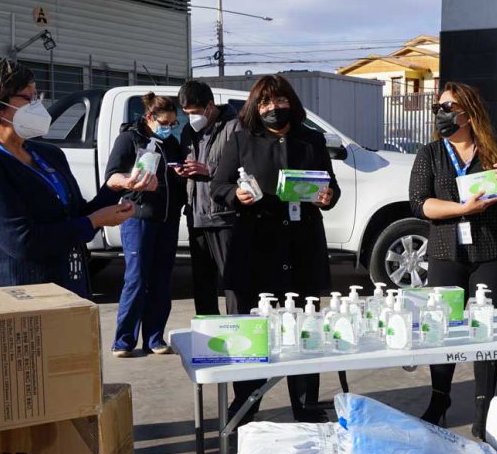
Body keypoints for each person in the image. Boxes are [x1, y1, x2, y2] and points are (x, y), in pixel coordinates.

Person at [211, 74, 340, 424]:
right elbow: (218, 185)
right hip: (255, 247)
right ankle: (245, 406)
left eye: (279, 101)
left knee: (303, 328)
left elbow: (331, 188)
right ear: (256, 107)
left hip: (301, 247)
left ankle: (305, 403)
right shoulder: (242, 140)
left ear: (291, 104)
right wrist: (234, 195)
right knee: (251, 332)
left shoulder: (311, 140)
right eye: (265, 103)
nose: (273, 108)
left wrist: (328, 197)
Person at [409, 81, 497, 439]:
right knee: (441, 328)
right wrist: (463, 209)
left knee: (487, 329)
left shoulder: (493, 152)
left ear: (468, 112)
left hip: (491, 251)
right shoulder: (430, 154)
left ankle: (484, 407)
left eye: (449, 107)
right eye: (439, 108)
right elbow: (420, 203)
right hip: (447, 251)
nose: (442, 114)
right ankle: (439, 398)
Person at [0, 56, 153, 298]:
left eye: (37, 97)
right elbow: (21, 241)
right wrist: (93, 221)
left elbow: (76, 216)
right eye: (27, 99)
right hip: (14, 298)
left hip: (67, 290)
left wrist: (113, 188)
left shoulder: (48, 154)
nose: (37, 106)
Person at [105, 92, 186, 357]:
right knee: (137, 278)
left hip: (167, 218)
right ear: (149, 117)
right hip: (138, 218)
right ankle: (124, 341)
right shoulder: (129, 139)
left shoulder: (171, 143)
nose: (169, 128)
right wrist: (129, 181)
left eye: (173, 123)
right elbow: (111, 178)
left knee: (162, 280)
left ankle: (154, 337)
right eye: (165, 123)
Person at [177, 80, 240, 315]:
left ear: (210, 106)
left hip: (224, 217)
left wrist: (209, 170)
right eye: (186, 114)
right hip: (196, 216)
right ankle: (208, 335)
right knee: (202, 283)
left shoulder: (235, 127)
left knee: (232, 281)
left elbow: (245, 169)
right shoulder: (188, 132)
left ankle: (238, 331)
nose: (191, 118)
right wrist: (181, 171)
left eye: (195, 113)